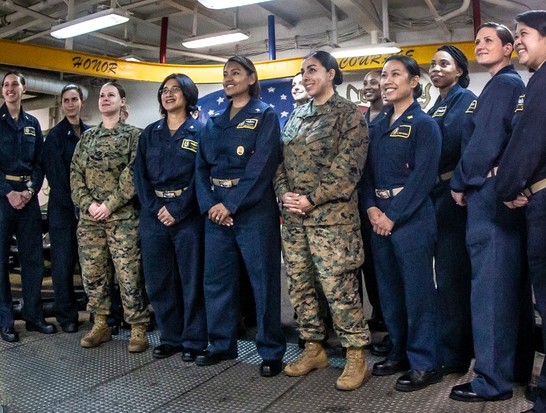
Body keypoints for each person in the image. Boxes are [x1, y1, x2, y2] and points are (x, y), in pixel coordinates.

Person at [493, 10, 546, 413]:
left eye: (524, 34)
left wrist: (505, 187)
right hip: (543, 195)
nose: (519, 41)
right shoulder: (545, 78)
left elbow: (529, 141)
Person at [275, 51, 370, 391]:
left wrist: (311, 198)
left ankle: (356, 352)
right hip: (295, 218)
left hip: (332, 220)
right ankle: (313, 347)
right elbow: (280, 162)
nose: (306, 76)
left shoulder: (349, 115)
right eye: (303, 72)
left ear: (331, 74)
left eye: (312, 70)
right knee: (300, 284)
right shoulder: (296, 116)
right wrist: (284, 193)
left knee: (338, 288)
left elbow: (348, 168)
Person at [448, 23, 533, 403]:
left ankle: (490, 381)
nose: (480, 46)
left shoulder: (501, 86)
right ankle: (513, 369)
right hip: (500, 196)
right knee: (509, 288)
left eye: (488, 41)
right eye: (478, 41)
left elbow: (484, 142)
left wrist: (460, 182)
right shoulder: (510, 84)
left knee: (491, 291)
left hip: (486, 197)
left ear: (509, 47)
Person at [195, 55, 285, 377]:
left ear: (251, 78)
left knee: (264, 283)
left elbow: (262, 166)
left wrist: (230, 205)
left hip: (252, 211)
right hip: (216, 211)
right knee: (216, 281)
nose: (228, 78)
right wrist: (210, 205)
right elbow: (201, 167)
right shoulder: (214, 122)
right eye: (225, 74)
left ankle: (271, 350)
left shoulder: (265, 115)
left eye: (235, 72)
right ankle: (220, 344)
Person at [361, 54, 442, 392]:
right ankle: (399, 351)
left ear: (413, 82)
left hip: (411, 219)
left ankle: (424, 361)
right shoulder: (376, 126)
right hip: (378, 216)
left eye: (396, 74)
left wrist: (393, 216)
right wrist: (371, 210)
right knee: (390, 291)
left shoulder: (424, 124)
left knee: (418, 292)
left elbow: (423, 178)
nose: (387, 80)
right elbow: (363, 175)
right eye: (384, 75)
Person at [70, 81, 148, 354]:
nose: (104, 99)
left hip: (122, 218)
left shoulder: (133, 136)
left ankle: (138, 326)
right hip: (91, 220)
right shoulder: (87, 138)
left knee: (129, 275)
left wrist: (109, 204)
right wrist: (89, 205)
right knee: (93, 275)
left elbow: (133, 174)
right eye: (101, 95)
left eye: (110, 95)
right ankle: (100, 323)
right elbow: (75, 174)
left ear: (122, 101)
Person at [134, 74, 207, 362]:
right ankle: (170, 337)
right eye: (164, 90)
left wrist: (178, 209)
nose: (169, 94)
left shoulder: (200, 131)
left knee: (191, 280)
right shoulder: (150, 133)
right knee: (159, 281)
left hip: (187, 216)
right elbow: (139, 176)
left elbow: (201, 175)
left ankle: (193, 339)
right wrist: (155, 207)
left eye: (176, 89)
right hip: (154, 216)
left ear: (188, 94)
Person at [0, 70, 56, 342]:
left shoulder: (32, 124)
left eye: (15, 85)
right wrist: (9, 192)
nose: (10, 89)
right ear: (3, 91)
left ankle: (34, 316)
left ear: (24, 90)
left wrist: (31, 189)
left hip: (28, 197)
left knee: (33, 259)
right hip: (0, 199)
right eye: (6, 85)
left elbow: (39, 162)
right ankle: (5, 321)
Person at [427, 45, 475, 374]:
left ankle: (456, 356)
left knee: (452, 279)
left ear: (458, 71)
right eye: (433, 64)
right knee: (443, 281)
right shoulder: (434, 106)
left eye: (444, 64)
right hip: (433, 195)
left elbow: (462, 147)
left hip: (454, 197)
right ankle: (448, 343)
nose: (436, 69)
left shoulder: (465, 102)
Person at [42, 84, 90, 334]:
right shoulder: (55, 136)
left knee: (92, 264)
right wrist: (76, 205)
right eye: (66, 101)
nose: (70, 104)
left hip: (89, 211)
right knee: (63, 265)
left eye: (74, 99)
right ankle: (66, 315)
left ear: (82, 102)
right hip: (64, 210)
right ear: (62, 105)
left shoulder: (91, 133)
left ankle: (97, 313)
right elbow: (57, 177)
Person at [359, 69, 387, 354]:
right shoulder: (360, 119)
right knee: (367, 260)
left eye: (374, 81)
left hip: (386, 202)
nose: (369, 86)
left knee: (385, 262)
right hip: (361, 200)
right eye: (365, 83)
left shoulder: (394, 116)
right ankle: (378, 309)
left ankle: (390, 315)